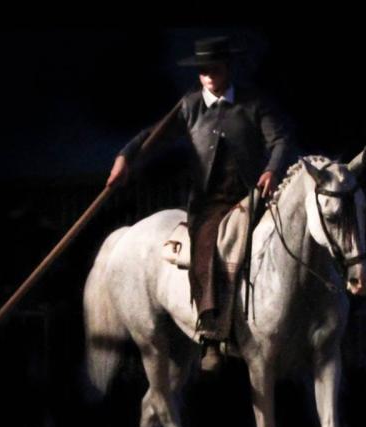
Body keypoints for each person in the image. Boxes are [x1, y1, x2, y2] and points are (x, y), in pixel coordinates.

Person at [107, 36, 292, 371]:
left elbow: (279, 139)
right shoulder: (190, 106)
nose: (208, 76)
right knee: (206, 242)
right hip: (211, 200)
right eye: (203, 70)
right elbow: (154, 135)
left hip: (251, 194)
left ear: (228, 69)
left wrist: (271, 170)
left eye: (215, 70)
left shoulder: (252, 104)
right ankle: (211, 330)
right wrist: (125, 155)